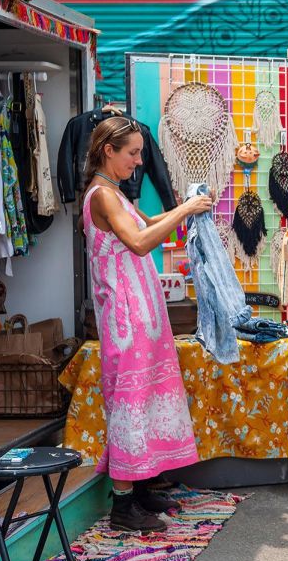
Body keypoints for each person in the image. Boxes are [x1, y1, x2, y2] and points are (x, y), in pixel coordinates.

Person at [81, 117, 212, 532]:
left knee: (144, 398)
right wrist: (186, 211)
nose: (138, 162)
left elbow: (150, 224)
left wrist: (189, 210)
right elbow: (139, 243)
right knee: (129, 405)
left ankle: (137, 491)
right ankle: (122, 505)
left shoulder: (114, 194)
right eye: (132, 153)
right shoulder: (101, 196)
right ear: (108, 151)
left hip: (139, 313)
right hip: (125, 317)